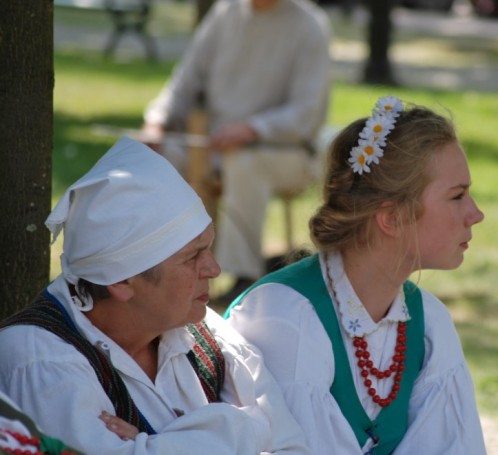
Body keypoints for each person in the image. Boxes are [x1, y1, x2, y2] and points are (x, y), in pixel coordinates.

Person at [0, 137, 309, 454]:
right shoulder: (42, 365)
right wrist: (241, 428)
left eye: (209, 247)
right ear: (121, 281)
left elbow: (293, 448)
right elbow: (266, 432)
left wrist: (157, 446)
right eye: (193, 257)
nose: (214, 269)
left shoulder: (204, 332)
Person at [225, 96, 488, 454]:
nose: (475, 214)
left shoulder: (428, 324)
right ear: (391, 217)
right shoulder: (285, 319)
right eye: (457, 196)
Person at [142, 0, 332, 302]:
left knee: (244, 163)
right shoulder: (225, 12)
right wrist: (157, 121)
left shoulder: (310, 24)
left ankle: (242, 277)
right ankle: (156, 266)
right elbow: (185, 80)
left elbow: (307, 112)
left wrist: (253, 128)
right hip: (216, 144)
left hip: (286, 151)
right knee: (159, 158)